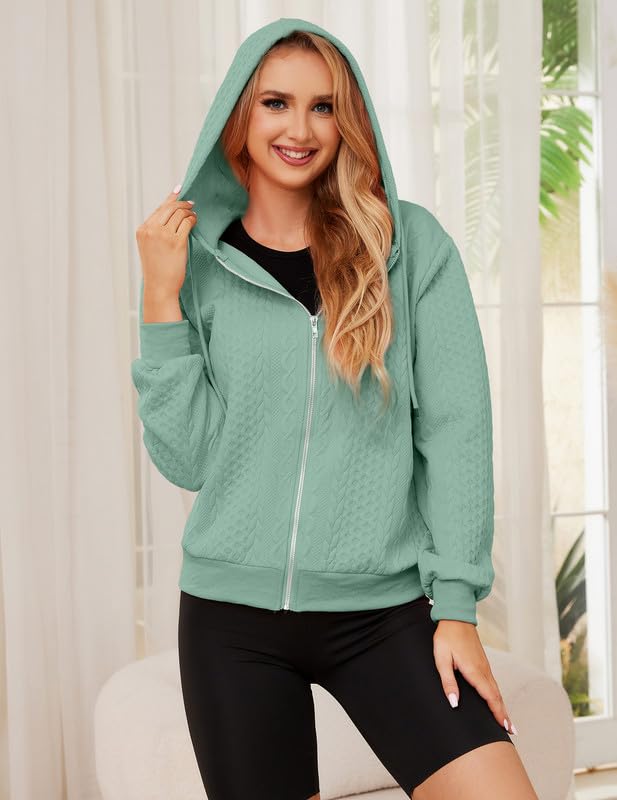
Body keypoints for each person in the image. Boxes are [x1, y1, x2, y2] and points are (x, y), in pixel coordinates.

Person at [130, 17, 539, 800]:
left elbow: (456, 431)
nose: (300, 128)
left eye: (322, 106)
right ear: (238, 114)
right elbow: (188, 458)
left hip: (382, 613)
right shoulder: (195, 266)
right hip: (230, 621)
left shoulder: (408, 248)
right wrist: (159, 297)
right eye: (276, 103)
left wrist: (455, 607)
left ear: (347, 120)